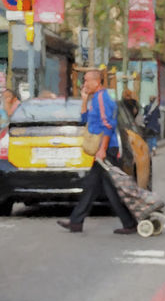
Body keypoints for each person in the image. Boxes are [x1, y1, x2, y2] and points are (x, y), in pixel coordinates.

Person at [57, 68, 138, 235]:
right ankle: (76, 222)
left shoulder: (103, 98)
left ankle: (130, 222)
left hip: (106, 149)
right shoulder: (95, 99)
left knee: (111, 188)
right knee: (91, 185)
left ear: (96, 81)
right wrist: (84, 100)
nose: (84, 84)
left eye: (86, 80)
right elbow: (85, 120)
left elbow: (108, 126)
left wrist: (102, 150)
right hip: (101, 149)